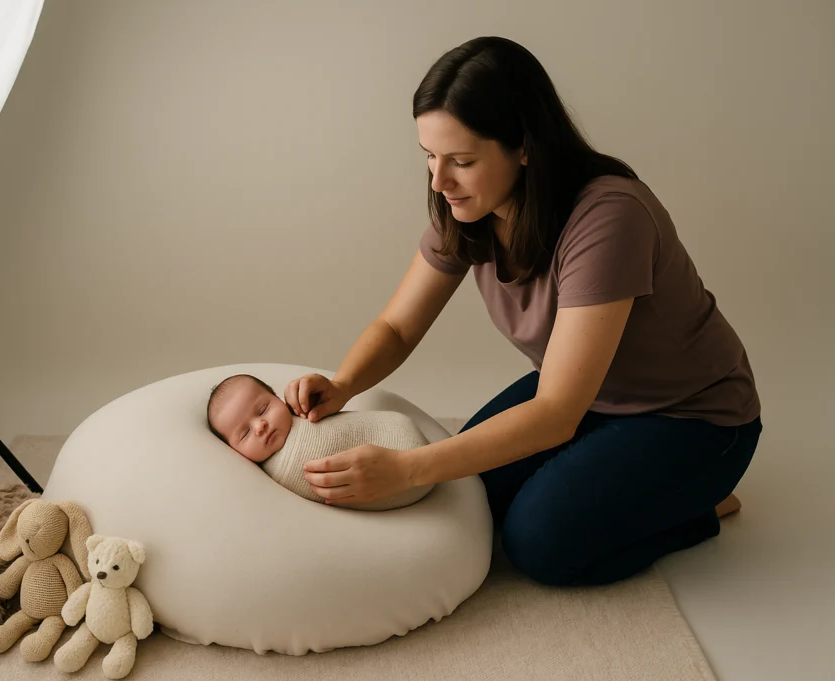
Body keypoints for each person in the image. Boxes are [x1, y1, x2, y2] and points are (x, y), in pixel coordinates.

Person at [284, 36, 762, 586]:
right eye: (430, 157)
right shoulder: (468, 207)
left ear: (526, 147)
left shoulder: (609, 218)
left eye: (462, 160)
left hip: (692, 418)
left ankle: (700, 504)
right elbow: (397, 326)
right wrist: (343, 382)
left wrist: (406, 469)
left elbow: (557, 410)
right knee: (467, 499)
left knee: (538, 545)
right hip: (587, 395)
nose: (439, 182)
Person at [206, 373, 435, 510]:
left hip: (403, 438)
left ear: (278, 399)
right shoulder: (267, 480)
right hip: (407, 482)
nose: (260, 426)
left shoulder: (306, 411)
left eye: (264, 409)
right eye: (244, 434)